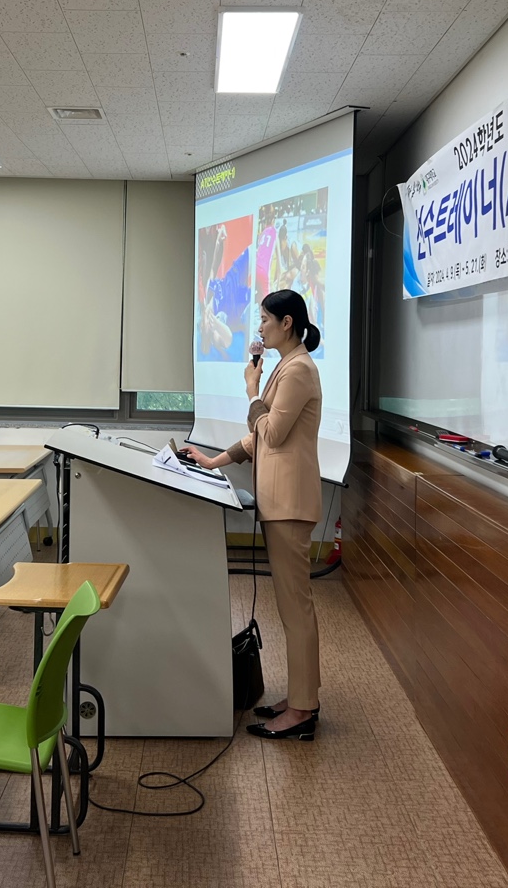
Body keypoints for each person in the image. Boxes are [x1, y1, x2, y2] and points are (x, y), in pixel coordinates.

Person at [184, 288, 324, 740]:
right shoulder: (285, 366)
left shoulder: (298, 369)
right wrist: (213, 462)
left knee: (295, 608)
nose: (259, 326)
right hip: (279, 503)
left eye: (265, 319)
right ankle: (301, 697)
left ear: (287, 323)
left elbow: (272, 432)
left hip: (289, 504)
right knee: (291, 607)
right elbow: (256, 437)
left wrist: (250, 390)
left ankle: (302, 710)